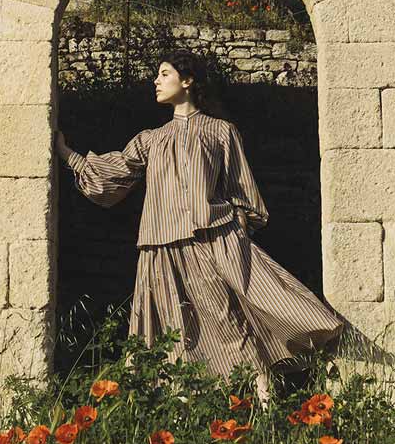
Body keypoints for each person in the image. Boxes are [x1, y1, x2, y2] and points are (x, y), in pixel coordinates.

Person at [54, 50, 347, 405]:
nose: (156, 81)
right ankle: (181, 414)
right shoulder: (151, 139)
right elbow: (111, 175)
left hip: (207, 241)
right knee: (172, 330)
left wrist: (236, 224)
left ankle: (266, 405)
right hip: (159, 247)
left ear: (188, 81)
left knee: (228, 320)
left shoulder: (221, 132)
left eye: (164, 74)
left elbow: (243, 192)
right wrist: (68, 155)